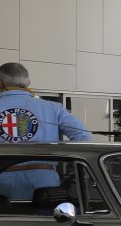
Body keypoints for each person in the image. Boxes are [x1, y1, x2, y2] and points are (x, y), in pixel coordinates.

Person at [0, 62, 92, 204]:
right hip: (44, 182)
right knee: (48, 218)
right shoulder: (52, 108)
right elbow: (83, 136)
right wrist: (76, 170)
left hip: (3, 181)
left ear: (1, 83)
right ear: (28, 83)